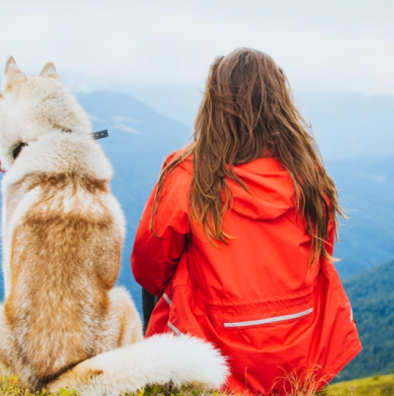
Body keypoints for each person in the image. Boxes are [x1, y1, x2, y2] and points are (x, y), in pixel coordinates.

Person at [131, 48, 361, 395]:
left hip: (211, 354)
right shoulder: (308, 175)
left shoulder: (187, 175)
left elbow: (148, 268)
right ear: (279, 103)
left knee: (165, 278)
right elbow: (321, 252)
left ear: (213, 103)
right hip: (300, 351)